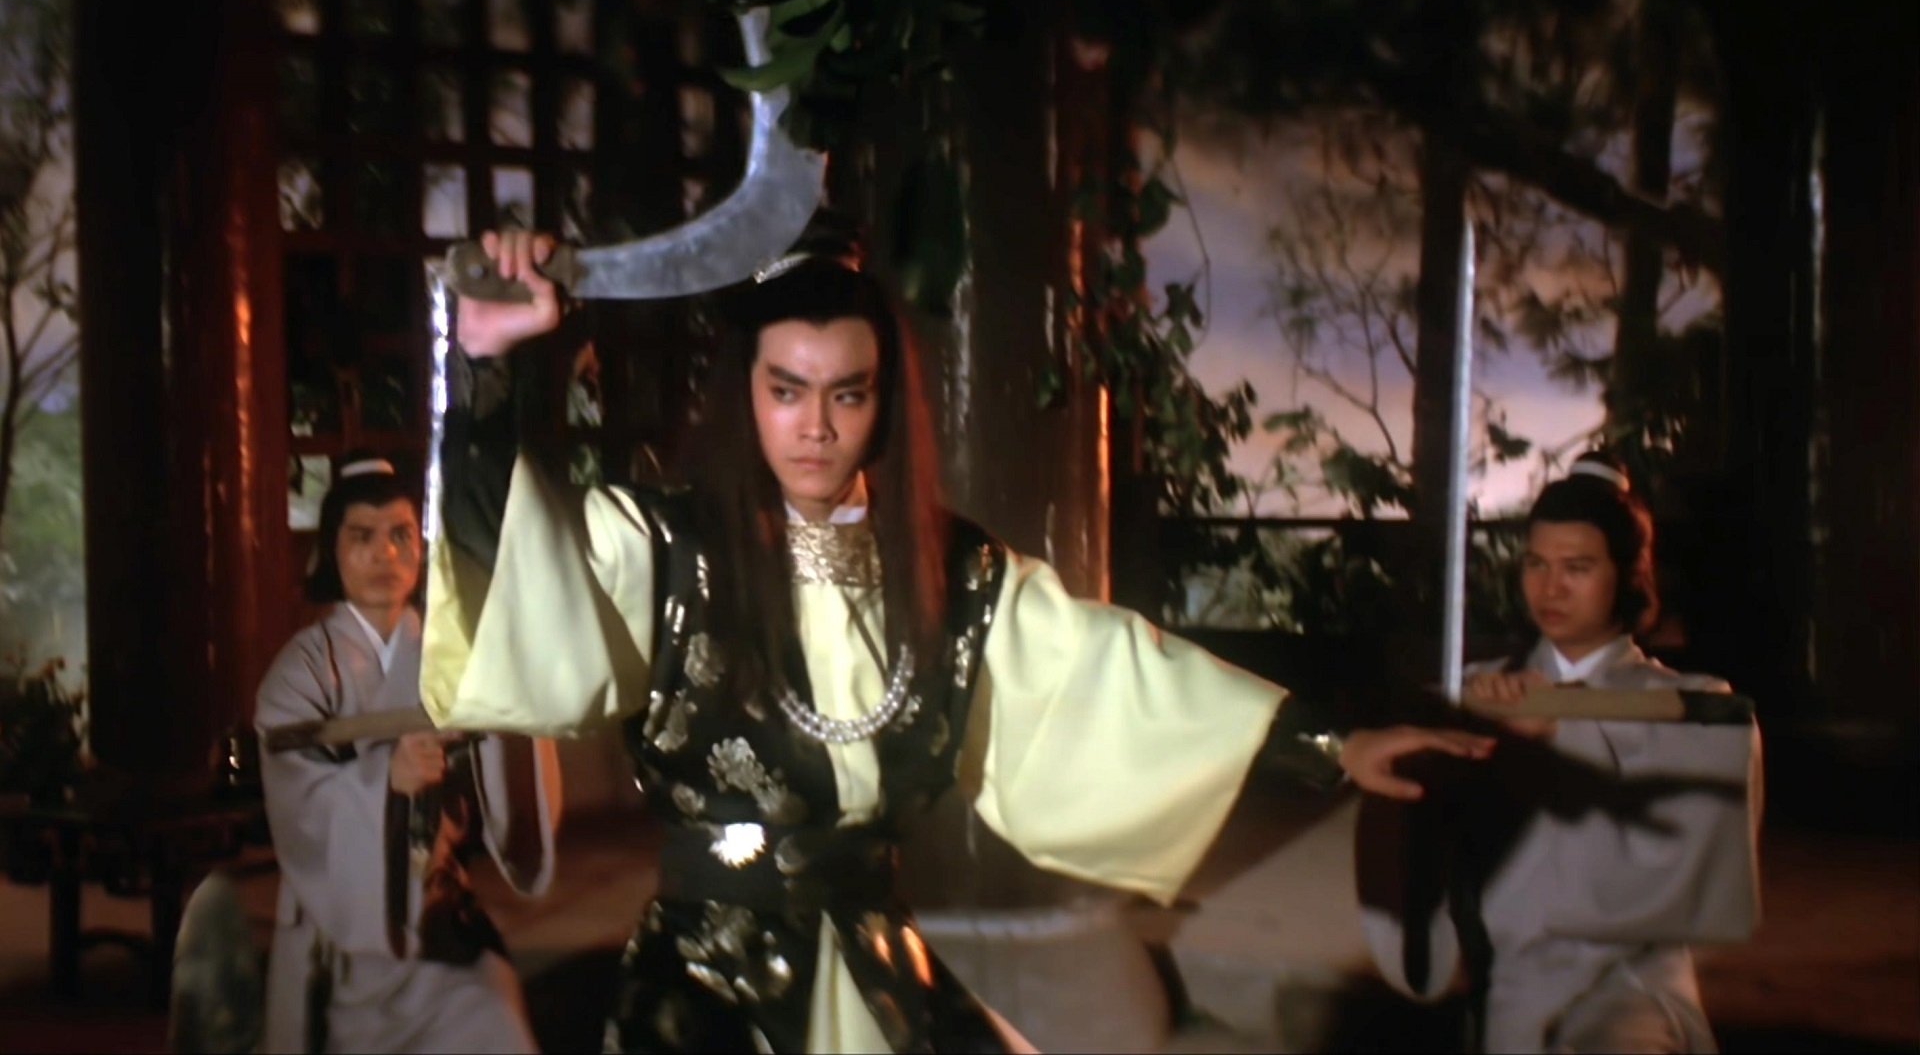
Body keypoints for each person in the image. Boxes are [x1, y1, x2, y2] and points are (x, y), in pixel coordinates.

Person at [424, 223, 1495, 1054]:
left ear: (883, 402)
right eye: (786, 391)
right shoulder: (661, 545)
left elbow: (1116, 679)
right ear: (745, 392)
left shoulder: (956, 573)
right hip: (705, 989)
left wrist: (1331, 745)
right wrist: (485, 370)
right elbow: (511, 562)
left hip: (879, 963)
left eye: (847, 394)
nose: (815, 426)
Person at [1358, 452, 1764, 1053]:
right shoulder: (1481, 688)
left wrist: (1561, 728)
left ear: (1629, 575)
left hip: (1632, 987)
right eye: (1536, 564)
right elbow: (1412, 823)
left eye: (1578, 567)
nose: (1551, 587)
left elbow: (1698, 849)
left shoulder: (1691, 702)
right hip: (1512, 986)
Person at [254, 455, 561, 1054]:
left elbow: (506, 739)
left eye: (400, 535)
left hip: (437, 915)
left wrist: (514, 708)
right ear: (331, 551)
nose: (384, 554)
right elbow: (296, 797)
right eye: (361, 537)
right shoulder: (301, 670)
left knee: (493, 1022)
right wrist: (382, 779)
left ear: (421, 549)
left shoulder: (453, 654)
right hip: (341, 924)